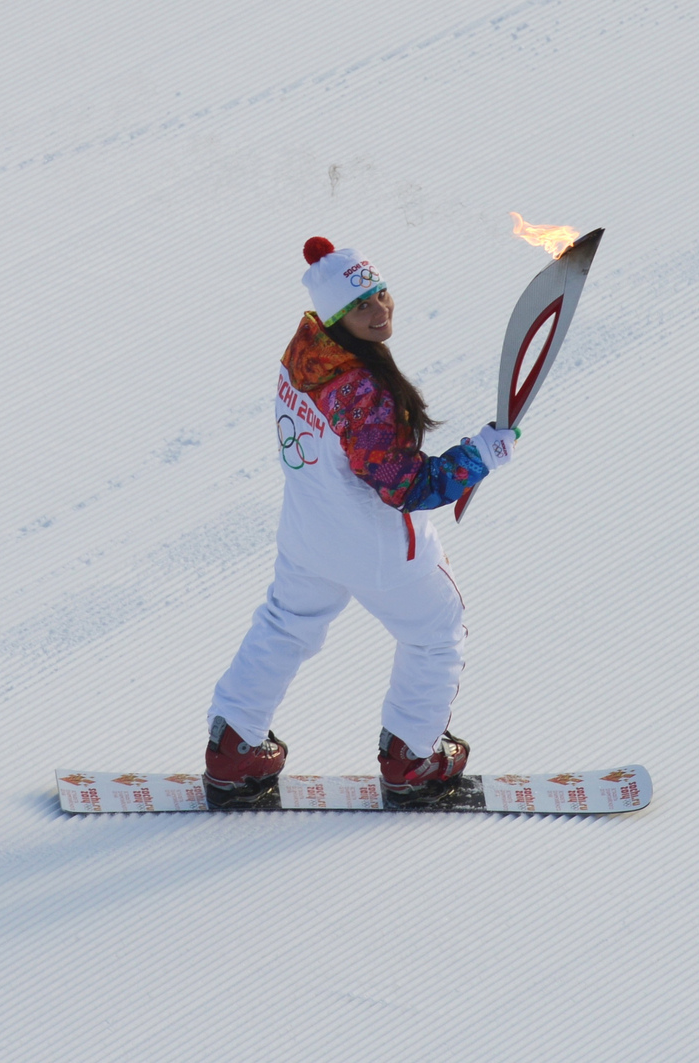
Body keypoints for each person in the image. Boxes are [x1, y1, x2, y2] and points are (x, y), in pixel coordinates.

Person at [203, 236, 518, 809]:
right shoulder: (362, 391)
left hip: (307, 534)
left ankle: (234, 749)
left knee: (285, 625)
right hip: (374, 547)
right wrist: (479, 457)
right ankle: (412, 760)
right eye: (362, 306)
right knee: (435, 634)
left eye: (380, 294)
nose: (380, 311)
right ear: (337, 317)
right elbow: (405, 485)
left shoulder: (303, 353)